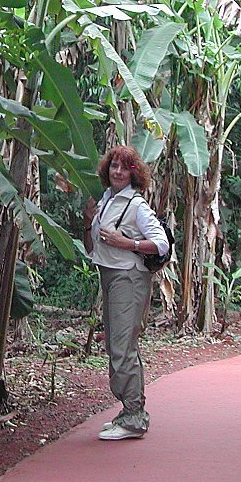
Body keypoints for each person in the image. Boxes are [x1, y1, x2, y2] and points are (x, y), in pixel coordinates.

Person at [83, 144, 169, 441]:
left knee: (122, 346)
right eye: (113, 166)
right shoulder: (108, 199)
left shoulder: (136, 205)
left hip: (129, 278)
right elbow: (93, 243)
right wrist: (88, 219)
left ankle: (134, 416)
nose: (117, 172)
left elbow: (161, 244)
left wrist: (126, 243)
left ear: (135, 173)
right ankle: (128, 411)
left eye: (124, 167)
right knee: (116, 345)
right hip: (109, 275)